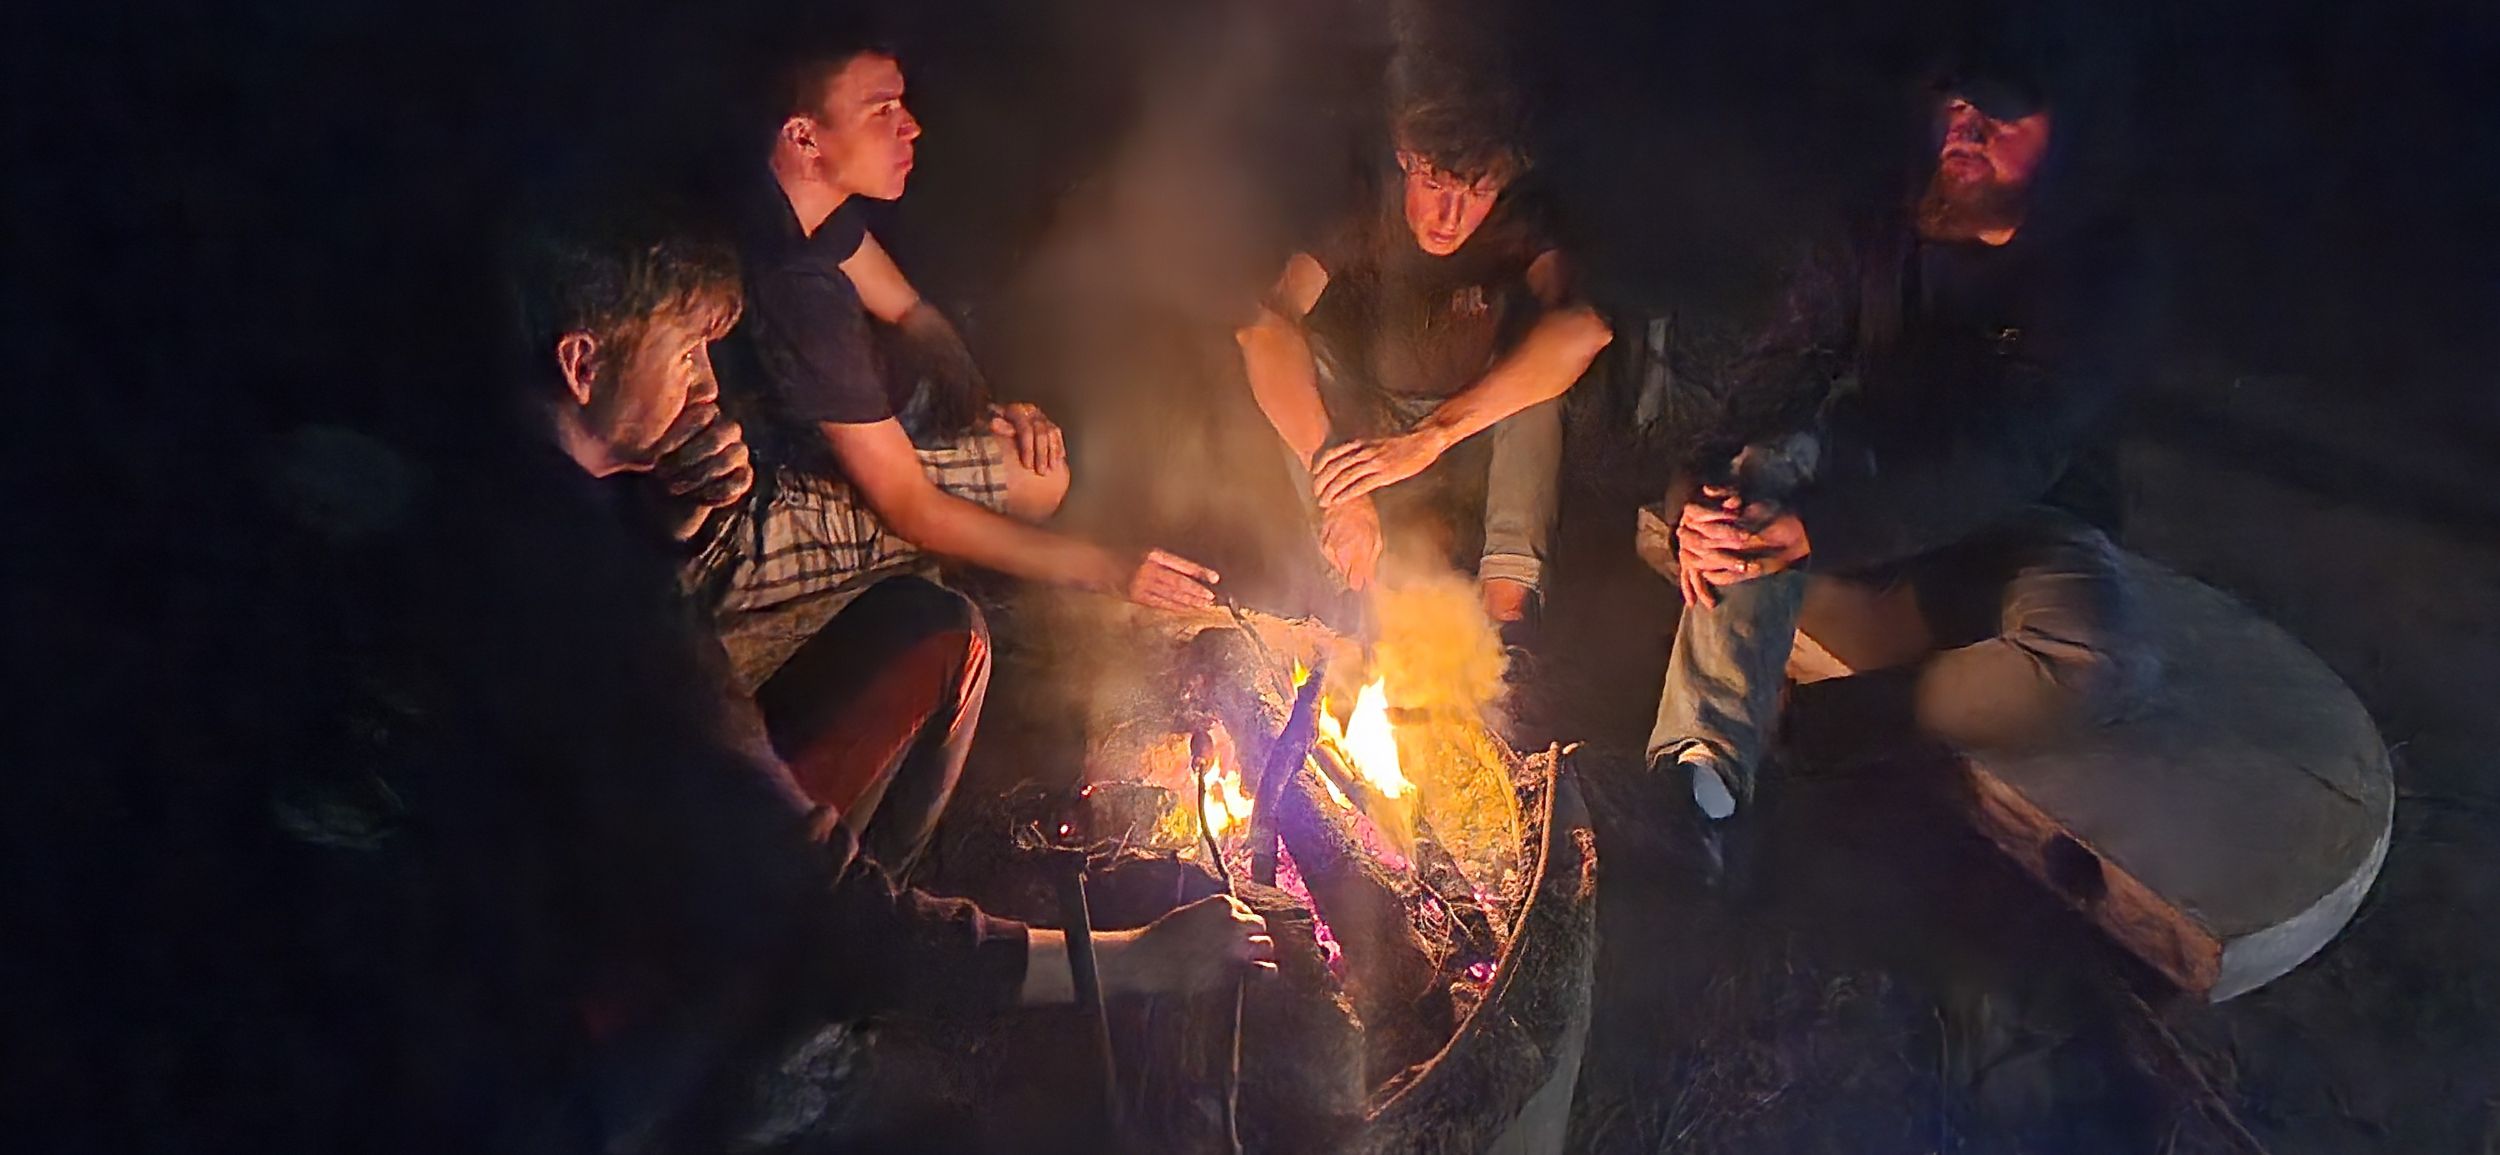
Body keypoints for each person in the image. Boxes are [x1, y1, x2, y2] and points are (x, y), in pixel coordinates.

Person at [323, 212, 1273, 1149]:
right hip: (545, 1044)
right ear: (581, 365)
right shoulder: (592, 603)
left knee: (934, 626)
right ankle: (781, 1054)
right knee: (842, 991)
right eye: (690, 351)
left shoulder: (497, 472)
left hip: (505, 898)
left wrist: (666, 528)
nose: (710, 385)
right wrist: (1138, 960)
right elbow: (813, 895)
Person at [1645, 58, 2159, 879]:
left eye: (2000, 116)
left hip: (2023, 523)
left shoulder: (2099, 268)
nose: (1966, 131)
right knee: (1751, 482)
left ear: (2067, 137)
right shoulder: (1880, 226)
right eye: (1957, 108)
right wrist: (1693, 500)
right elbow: (1780, 374)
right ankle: (1696, 786)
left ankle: (1816, 723)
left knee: (2102, 663)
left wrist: (1823, 529)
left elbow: (2014, 454)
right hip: (1871, 496)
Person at [698, 30, 1221, 697]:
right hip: (733, 532)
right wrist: (1110, 568)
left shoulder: (791, 199)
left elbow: (914, 312)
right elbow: (910, 505)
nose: (911, 126)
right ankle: (854, 615)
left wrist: (985, 407)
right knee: (1034, 482)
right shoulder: (792, 281)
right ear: (804, 136)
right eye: (881, 111)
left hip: (776, 442)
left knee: (1021, 455)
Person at [1232, 81, 1613, 632]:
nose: (1450, 215)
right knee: (1303, 361)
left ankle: (1505, 625)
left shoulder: (1522, 223)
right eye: (1436, 184)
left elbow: (1584, 329)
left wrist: (1432, 436)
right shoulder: (1363, 209)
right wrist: (1345, 492)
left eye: (1477, 193)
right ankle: (1352, 603)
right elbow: (1264, 326)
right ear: (1406, 160)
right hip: (1369, 422)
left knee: (1537, 386)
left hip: (1464, 432)